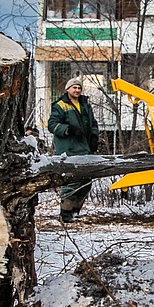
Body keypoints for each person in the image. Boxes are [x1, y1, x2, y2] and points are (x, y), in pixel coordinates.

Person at [48, 76, 100, 223]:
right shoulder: (60, 105)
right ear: (67, 89)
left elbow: (93, 123)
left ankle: (75, 211)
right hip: (69, 149)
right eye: (74, 87)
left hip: (85, 148)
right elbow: (52, 125)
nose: (77, 90)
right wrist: (68, 129)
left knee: (86, 181)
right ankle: (65, 213)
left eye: (79, 88)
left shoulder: (85, 105)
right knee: (72, 181)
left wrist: (94, 137)